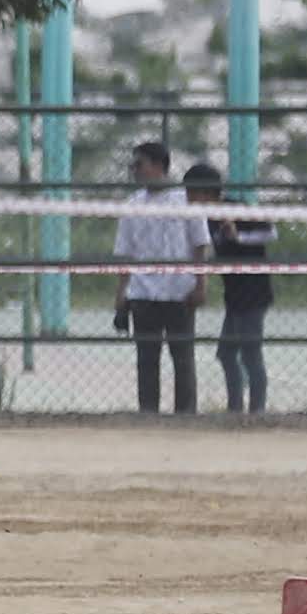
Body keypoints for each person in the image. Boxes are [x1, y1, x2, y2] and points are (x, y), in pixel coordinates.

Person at [113, 139, 202, 417]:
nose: (135, 171)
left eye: (139, 165)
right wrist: (121, 295)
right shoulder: (131, 205)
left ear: (158, 166)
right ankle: (148, 414)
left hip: (179, 291)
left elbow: (200, 245)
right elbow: (125, 253)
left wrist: (201, 285)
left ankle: (185, 415)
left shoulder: (186, 201)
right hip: (143, 292)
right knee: (147, 359)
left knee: (183, 358)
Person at [194, 157, 277, 416]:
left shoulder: (236, 208)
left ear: (206, 192)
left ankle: (257, 411)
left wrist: (239, 236)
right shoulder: (204, 219)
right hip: (235, 295)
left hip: (254, 292)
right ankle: (235, 409)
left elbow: (271, 232)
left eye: (192, 193)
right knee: (227, 353)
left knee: (250, 352)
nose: (188, 199)